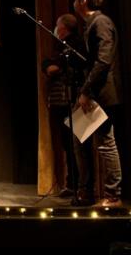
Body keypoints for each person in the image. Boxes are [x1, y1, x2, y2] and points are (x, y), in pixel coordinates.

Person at [73, 0, 123, 207]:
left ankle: (112, 195)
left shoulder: (100, 22)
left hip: (101, 93)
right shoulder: (91, 23)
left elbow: (103, 61)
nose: (74, 2)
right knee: (79, 137)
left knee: (105, 142)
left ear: (83, 1)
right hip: (95, 91)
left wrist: (86, 91)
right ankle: (87, 190)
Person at [41, 14, 84, 198]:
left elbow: (54, 67)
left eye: (57, 26)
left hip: (71, 99)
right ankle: (71, 183)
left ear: (64, 28)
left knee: (75, 144)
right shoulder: (60, 47)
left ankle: (79, 186)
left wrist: (52, 66)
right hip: (59, 100)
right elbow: (47, 65)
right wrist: (50, 65)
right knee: (67, 145)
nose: (56, 29)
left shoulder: (73, 45)